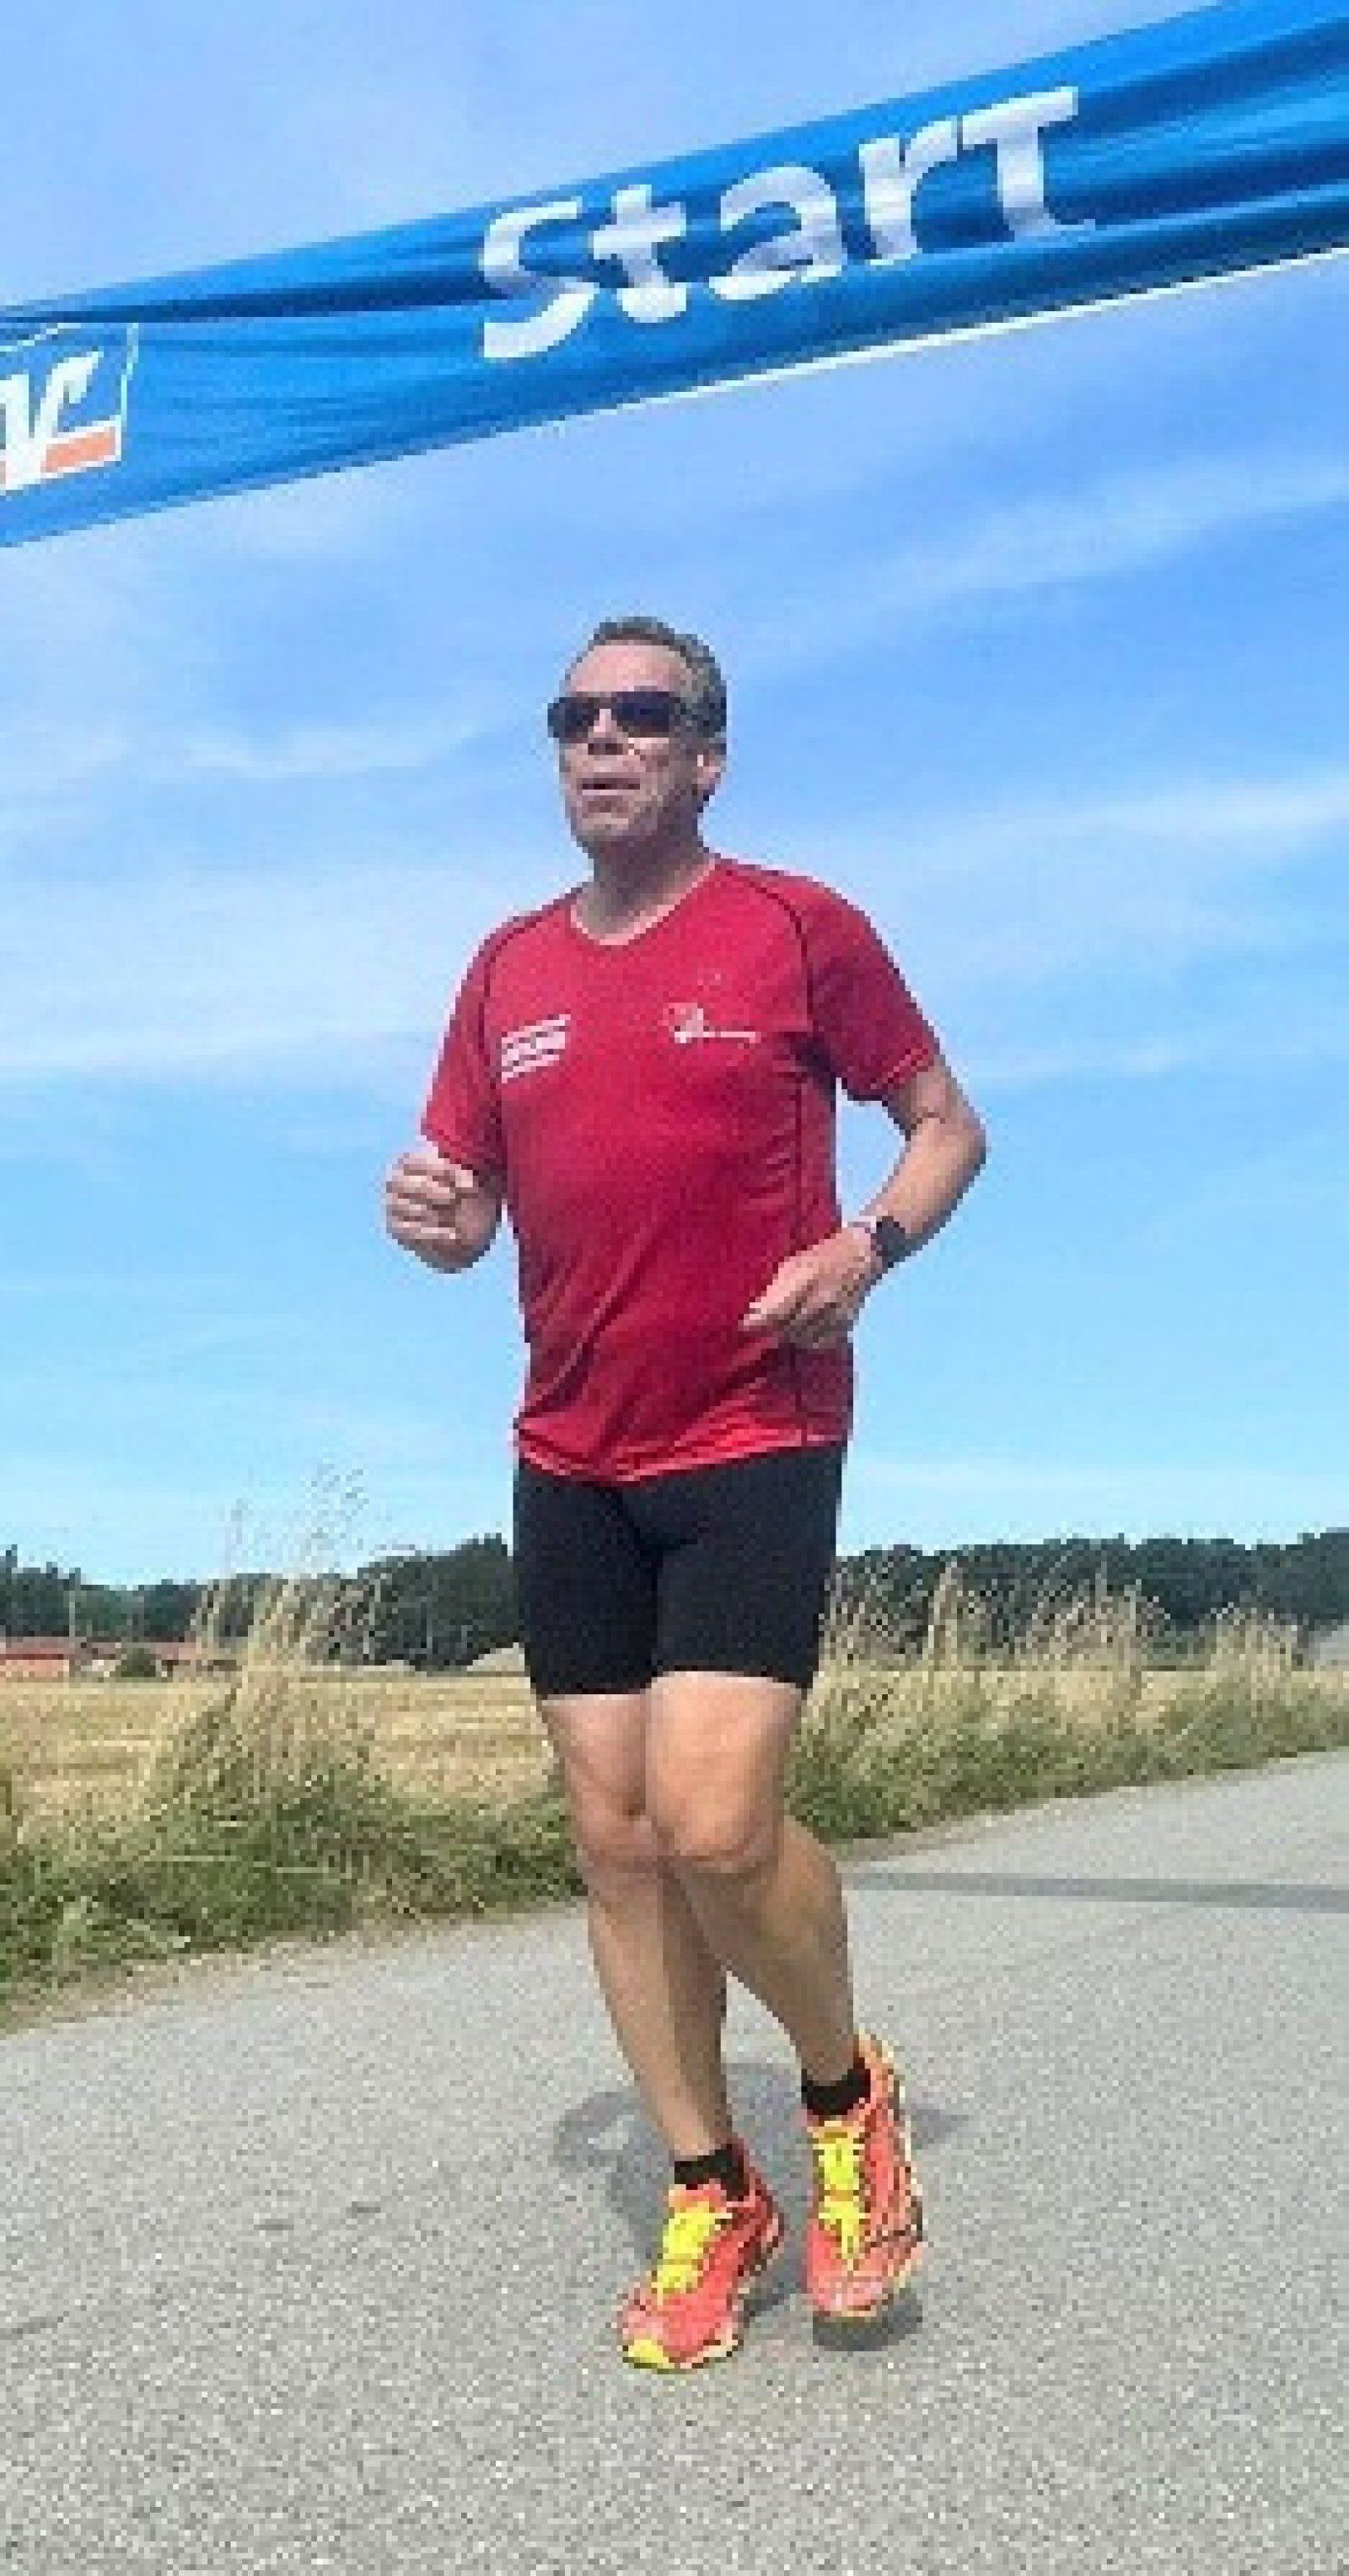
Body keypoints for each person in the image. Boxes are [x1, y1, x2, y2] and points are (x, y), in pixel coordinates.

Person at [384, 614, 986, 2373]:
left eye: (640, 715)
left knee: (716, 1825)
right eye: (573, 715)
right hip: (569, 1449)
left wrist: (865, 1248)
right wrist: (436, 1224)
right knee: (619, 1842)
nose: (600, 739)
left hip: (751, 1426)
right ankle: (711, 2186)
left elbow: (945, 1124)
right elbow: (466, 1209)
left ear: (706, 757)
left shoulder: (796, 928)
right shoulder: (504, 970)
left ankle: (842, 2096)